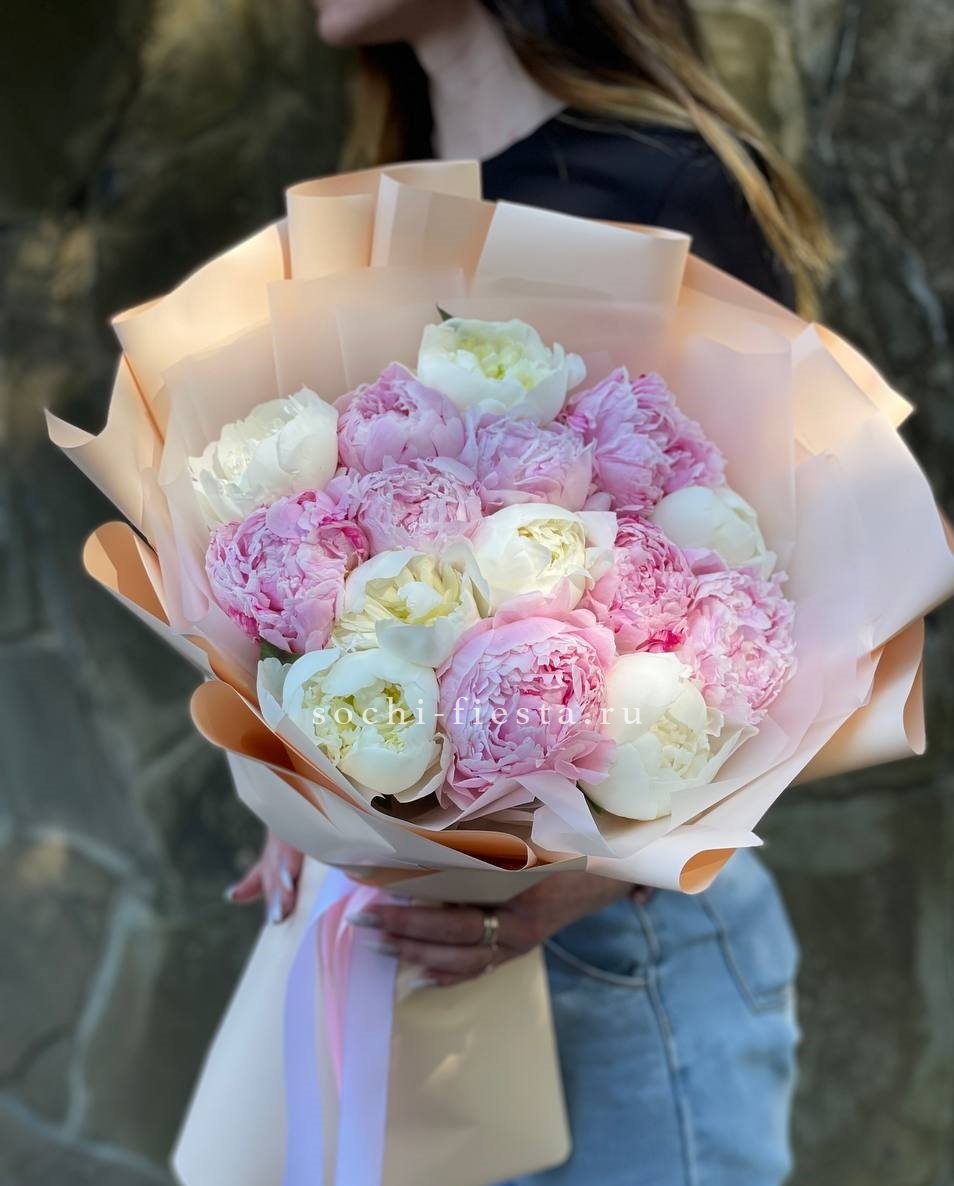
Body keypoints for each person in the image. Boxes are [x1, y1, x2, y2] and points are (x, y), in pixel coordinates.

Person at [226, 3, 835, 1182]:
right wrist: (308, 765)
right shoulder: (370, 210)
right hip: (408, 970)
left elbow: (805, 606)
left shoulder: (668, 184)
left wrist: (589, 878)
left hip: (621, 960)